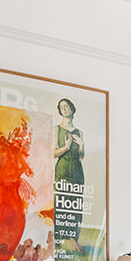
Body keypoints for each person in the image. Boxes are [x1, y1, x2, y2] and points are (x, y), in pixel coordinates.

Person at [53, 98, 85, 251]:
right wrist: (65, 147)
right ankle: (57, 241)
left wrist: (81, 145)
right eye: (62, 107)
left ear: (72, 109)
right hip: (63, 168)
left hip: (77, 171)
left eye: (66, 106)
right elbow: (53, 153)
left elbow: (81, 156)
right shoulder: (56, 129)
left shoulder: (79, 132)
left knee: (76, 205)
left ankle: (74, 240)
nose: (64, 109)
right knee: (61, 203)